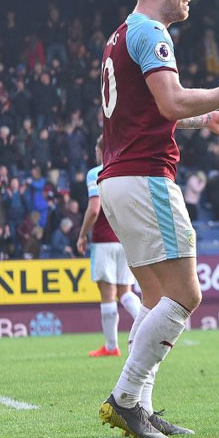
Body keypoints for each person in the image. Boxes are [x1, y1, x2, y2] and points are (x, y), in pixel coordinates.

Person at [96, 0, 219, 438]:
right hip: (146, 177)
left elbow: (150, 108)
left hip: (117, 178)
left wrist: (207, 117)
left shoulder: (122, 34)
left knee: (154, 296)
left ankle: (139, 406)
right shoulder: (150, 31)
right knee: (187, 294)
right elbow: (168, 102)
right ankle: (125, 397)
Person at [77, 137, 143, 358]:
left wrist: (82, 234)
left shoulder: (95, 173)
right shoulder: (127, 171)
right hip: (125, 240)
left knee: (108, 293)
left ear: (99, 151)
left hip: (104, 240)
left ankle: (111, 346)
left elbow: (94, 210)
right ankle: (147, 331)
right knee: (126, 292)